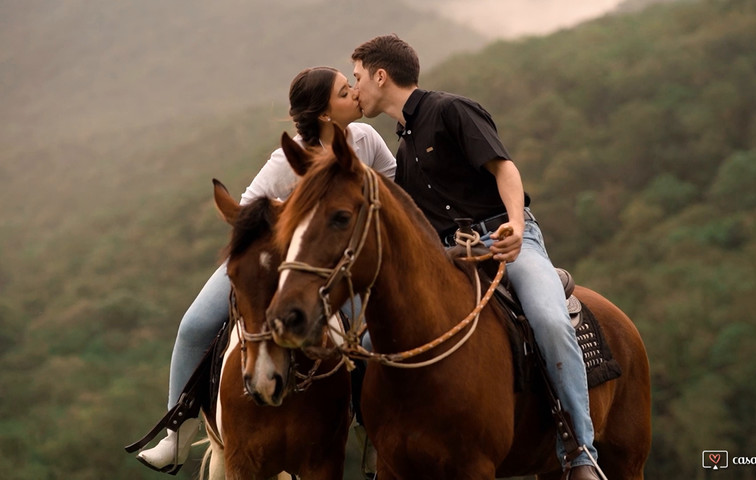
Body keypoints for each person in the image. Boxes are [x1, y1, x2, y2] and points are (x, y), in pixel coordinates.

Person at [351, 34, 602, 480]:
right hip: (450, 257)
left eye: (357, 78)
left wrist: (516, 228)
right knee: (370, 344)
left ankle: (580, 453)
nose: (355, 90)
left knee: (548, 319)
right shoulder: (404, 149)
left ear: (380, 75)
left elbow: (504, 168)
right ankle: (381, 450)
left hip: (505, 240)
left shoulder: (451, 110)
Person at [137, 66, 396, 474]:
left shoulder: (367, 141)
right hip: (272, 259)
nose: (355, 94)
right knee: (194, 325)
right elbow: (246, 212)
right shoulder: (285, 161)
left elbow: (393, 189)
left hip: (336, 264)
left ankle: (367, 429)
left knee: (367, 337)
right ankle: (176, 433)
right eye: (346, 92)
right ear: (325, 114)